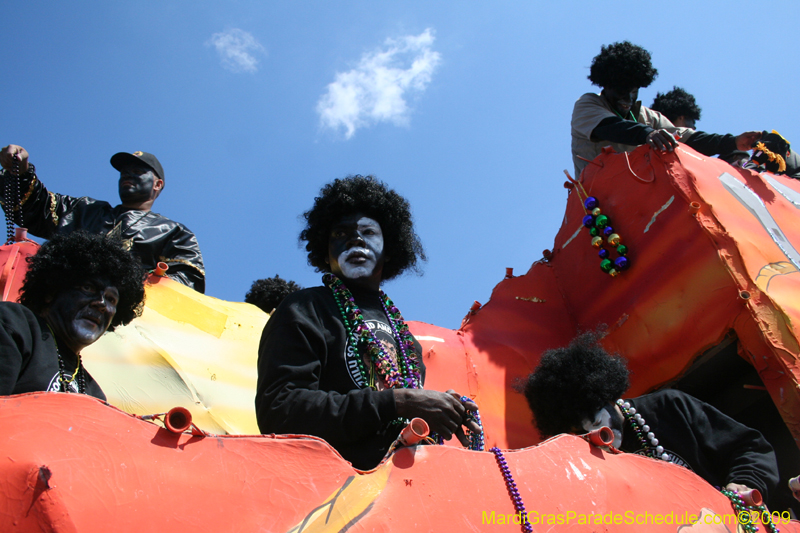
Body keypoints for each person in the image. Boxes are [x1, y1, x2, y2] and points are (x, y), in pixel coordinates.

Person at [256, 175, 480, 470]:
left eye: (369, 232)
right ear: (325, 253)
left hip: (402, 490)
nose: (355, 238)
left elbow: (399, 419)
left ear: (389, 250)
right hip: (327, 492)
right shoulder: (304, 308)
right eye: (341, 234)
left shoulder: (406, 342)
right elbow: (280, 410)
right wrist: (399, 401)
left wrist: (441, 410)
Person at [519, 331, 779, 502]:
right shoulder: (587, 456)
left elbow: (750, 448)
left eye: (598, 424)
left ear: (609, 397)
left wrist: (744, 484)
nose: (598, 438)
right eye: (583, 434)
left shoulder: (669, 406)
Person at [0, 145, 205, 292]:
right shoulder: (84, 210)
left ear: (157, 184)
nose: (127, 175)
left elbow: (187, 284)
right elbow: (36, 207)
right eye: (124, 172)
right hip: (57, 308)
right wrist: (20, 172)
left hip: (125, 329)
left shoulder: (174, 232)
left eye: (137, 171)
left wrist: (125, 284)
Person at [571, 41, 761, 177]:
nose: (628, 99)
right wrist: (648, 134)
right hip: (600, 205)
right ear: (606, 86)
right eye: (621, 91)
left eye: (633, 91)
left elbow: (686, 138)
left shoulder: (649, 117)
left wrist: (733, 142)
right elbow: (612, 127)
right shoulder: (588, 104)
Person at [0, 231, 146, 400]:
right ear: (52, 290)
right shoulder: (14, 323)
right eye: (88, 288)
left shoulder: (94, 394)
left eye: (111, 299)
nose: (101, 304)